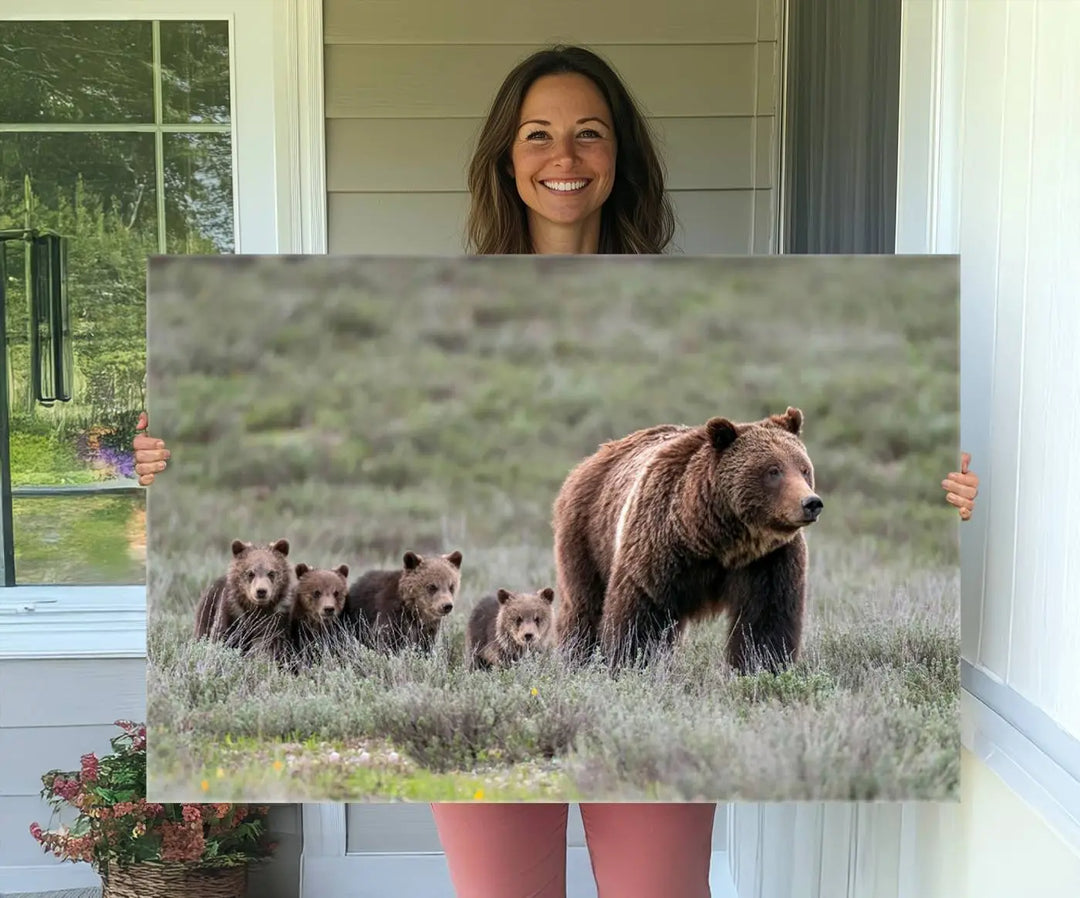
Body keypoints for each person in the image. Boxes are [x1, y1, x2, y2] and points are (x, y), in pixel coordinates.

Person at [133, 45, 980, 898]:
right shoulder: (430, 295)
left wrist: (951, 500)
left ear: (621, 157)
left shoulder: (690, 294)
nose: (564, 157)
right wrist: (165, 466)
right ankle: (585, 663)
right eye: (538, 135)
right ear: (507, 157)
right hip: (589, 525)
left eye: (589, 134)